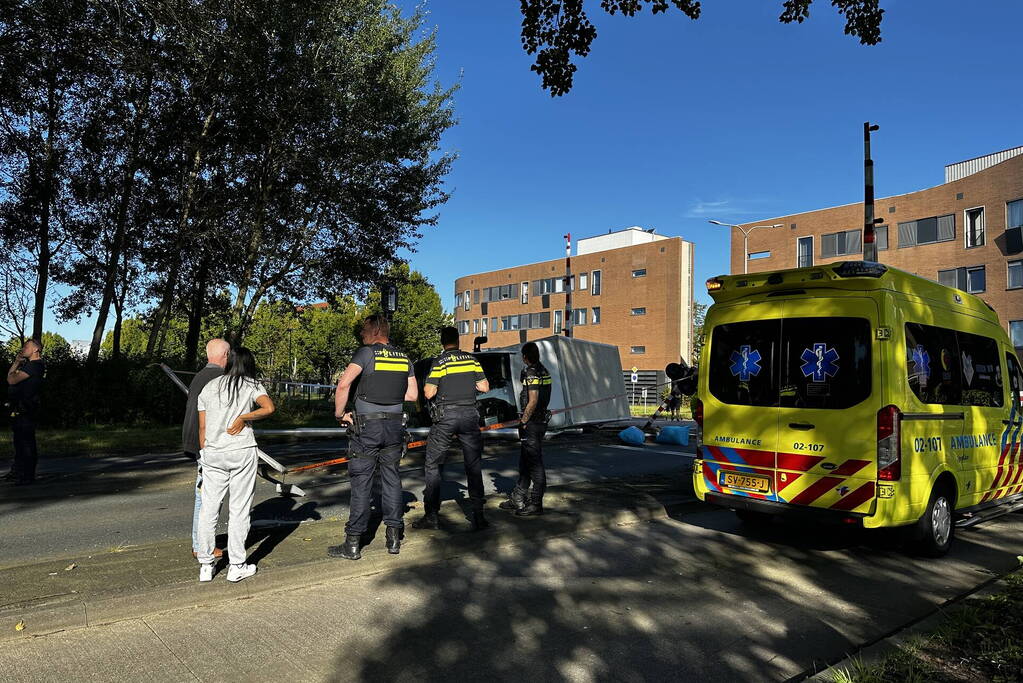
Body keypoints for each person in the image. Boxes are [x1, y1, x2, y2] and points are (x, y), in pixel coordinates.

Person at [329, 315, 417, 560]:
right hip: (394, 427)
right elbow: (412, 395)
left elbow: (343, 385)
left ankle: (353, 544)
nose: (361, 335)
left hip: (366, 427)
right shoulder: (403, 357)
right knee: (391, 480)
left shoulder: (366, 353)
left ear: (376, 330)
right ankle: (393, 539)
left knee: (361, 483)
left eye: (364, 330)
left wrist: (340, 414)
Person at [195, 346, 275, 583]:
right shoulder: (251, 385)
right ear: (249, 364)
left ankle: (206, 565)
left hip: (212, 453)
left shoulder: (209, 387)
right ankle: (237, 565)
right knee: (239, 509)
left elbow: (202, 427)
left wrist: (204, 452)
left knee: (209, 509)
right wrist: (243, 417)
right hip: (241, 451)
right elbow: (268, 408)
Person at [412, 326, 490, 532]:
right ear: (458, 340)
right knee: (473, 465)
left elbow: (428, 393)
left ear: (442, 342)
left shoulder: (439, 362)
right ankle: (479, 515)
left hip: (446, 416)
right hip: (470, 416)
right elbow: (484, 387)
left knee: (433, 464)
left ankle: (431, 516)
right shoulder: (471, 360)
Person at [182, 338, 231, 559]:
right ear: (226, 355)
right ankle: (202, 545)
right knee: (206, 498)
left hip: (195, 442)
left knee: (205, 495)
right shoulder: (219, 379)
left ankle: (201, 543)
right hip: (207, 445)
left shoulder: (200, 376)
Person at [499, 342, 551, 516]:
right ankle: (518, 497)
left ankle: (536, 503)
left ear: (525, 356)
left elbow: (533, 399)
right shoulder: (544, 370)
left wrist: (524, 420)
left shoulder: (531, 372)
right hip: (541, 420)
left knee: (535, 464)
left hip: (533, 423)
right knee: (526, 461)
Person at [5, 339, 44, 486]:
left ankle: (27, 475)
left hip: (27, 409)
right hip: (19, 408)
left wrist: (14, 373)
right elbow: (9, 377)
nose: (23, 349)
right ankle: (18, 471)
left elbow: (12, 380)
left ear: (36, 349)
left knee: (26, 442)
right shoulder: (28, 365)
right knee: (19, 442)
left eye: (26, 346)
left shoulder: (35, 366)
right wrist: (16, 362)